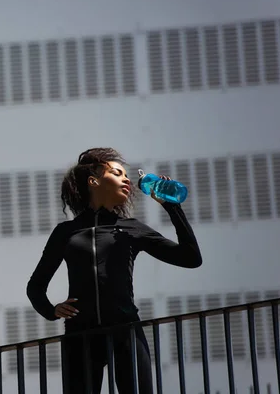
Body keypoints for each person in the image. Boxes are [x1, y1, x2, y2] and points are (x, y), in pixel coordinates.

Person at [26, 148, 202, 394]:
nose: (127, 179)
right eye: (117, 173)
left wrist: (173, 208)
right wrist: (51, 310)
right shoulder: (66, 232)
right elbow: (35, 286)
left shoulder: (133, 228)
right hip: (80, 337)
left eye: (127, 175)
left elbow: (191, 258)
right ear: (94, 181)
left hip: (126, 333)